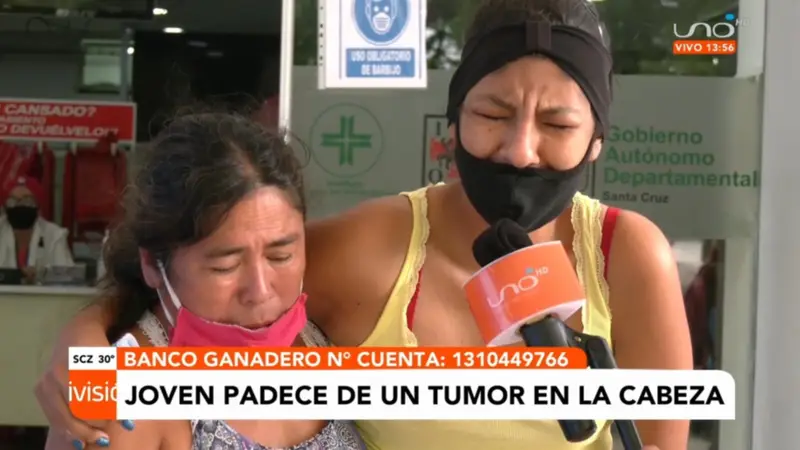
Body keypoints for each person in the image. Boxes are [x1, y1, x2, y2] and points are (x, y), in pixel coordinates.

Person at [35, 0, 690, 449]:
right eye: (493, 114)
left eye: (557, 124)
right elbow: (199, 278)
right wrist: (83, 344)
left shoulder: (626, 255)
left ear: (597, 140)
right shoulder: (366, 250)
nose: (519, 150)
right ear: (454, 119)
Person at [44, 112, 365, 450]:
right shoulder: (122, 405)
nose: (260, 291)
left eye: (280, 256)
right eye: (225, 266)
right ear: (153, 263)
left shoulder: (326, 328)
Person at [0, 175, 74, 272]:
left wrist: (40, 275)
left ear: (38, 205)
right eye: (12, 201)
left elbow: (66, 275)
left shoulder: (54, 235)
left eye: (27, 200)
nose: (19, 205)